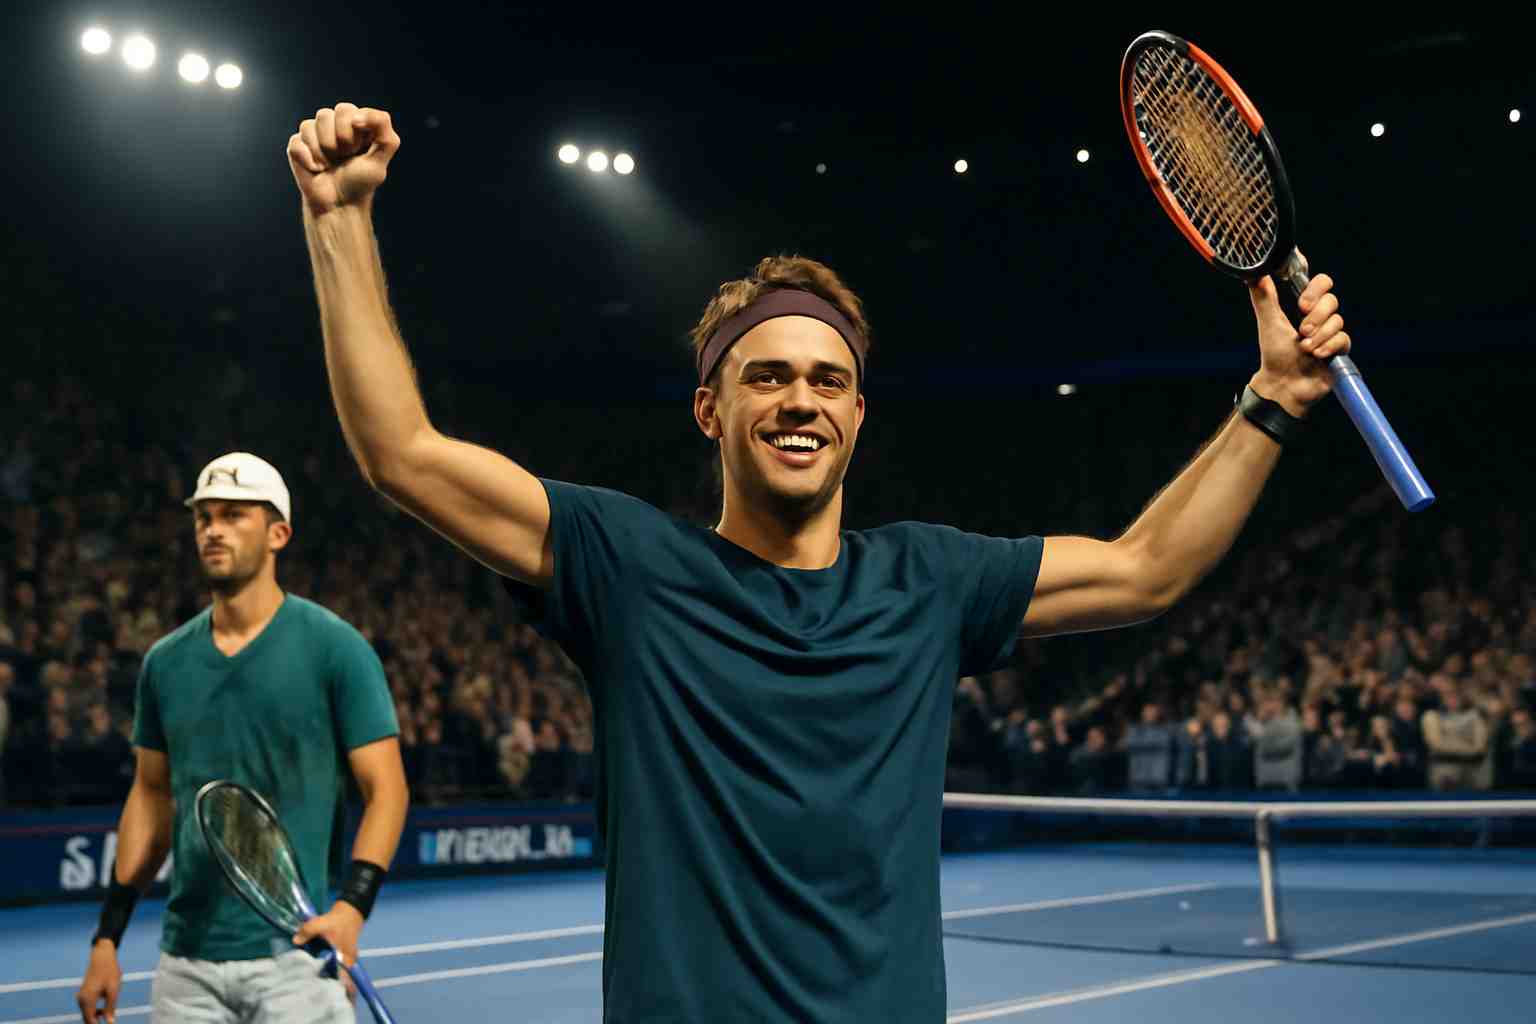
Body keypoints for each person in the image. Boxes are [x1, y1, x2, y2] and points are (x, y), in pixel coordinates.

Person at [288, 103, 1352, 1022]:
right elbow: (403, 455)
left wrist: (1274, 400)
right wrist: (339, 221)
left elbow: (1145, 569)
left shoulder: (930, 581)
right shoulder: (631, 567)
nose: (801, 398)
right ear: (711, 407)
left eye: (828, 380)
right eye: (768, 376)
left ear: (857, 414)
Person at [76, 452, 408, 1024]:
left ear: (278, 533)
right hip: (185, 969)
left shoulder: (336, 648)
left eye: (233, 515)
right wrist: (107, 938)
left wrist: (353, 909)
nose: (213, 530)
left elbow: (388, 791)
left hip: (295, 959)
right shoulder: (165, 663)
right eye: (204, 517)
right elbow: (151, 797)